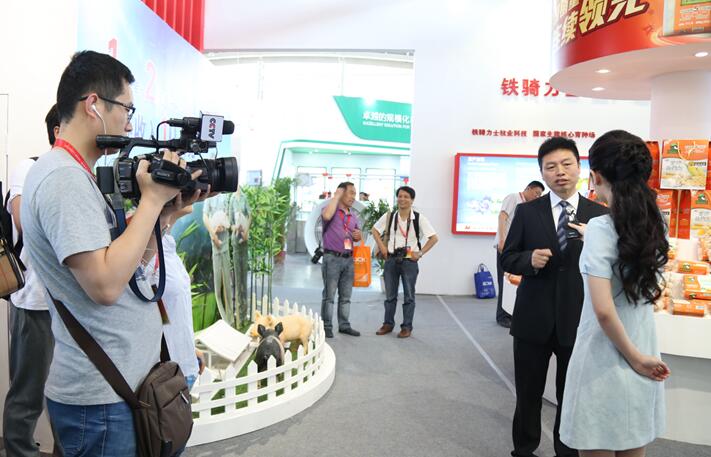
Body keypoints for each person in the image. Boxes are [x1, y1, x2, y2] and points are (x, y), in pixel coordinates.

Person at [21, 51, 202, 455]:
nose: (130, 123)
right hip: (100, 401)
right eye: (126, 108)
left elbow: (125, 267)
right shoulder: (62, 178)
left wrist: (164, 214)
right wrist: (151, 201)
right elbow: (104, 285)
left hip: (115, 394)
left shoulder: (75, 175)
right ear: (93, 105)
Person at [560, 130, 670, 457]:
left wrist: (634, 359)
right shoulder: (656, 224)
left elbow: (604, 311)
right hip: (644, 351)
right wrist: (639, 358)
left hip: (605, 360)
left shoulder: (600, 228)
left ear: (595, 176)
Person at [501, 137, 608, 457]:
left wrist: (594, 245)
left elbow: (612, 265)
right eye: (551, 167)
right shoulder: (526, 211)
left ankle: (567, 451)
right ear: (542, 173)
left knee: (571, 395)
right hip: (532, 318)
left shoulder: (600, 215)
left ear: (580, 168)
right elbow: (508, 258)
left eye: (566, 164)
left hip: (578, 318)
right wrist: (528, 260)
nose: (559, 172)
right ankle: (523, 449)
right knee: (528, 393)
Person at [2, 105, 60, 457]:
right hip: (34, 300)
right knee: (28, 392)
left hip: (70, 304)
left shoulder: (80, 175)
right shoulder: (30, 168)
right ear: (58, 129)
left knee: (66, 392)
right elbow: (27, 224)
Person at [146, 203, 206, 391]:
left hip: (183, 363)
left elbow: (166, 310)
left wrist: (188, 347)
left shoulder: (167, 245)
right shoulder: (148, 248)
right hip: (165, 374)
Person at [371, 186, 438, 338]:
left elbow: (434, 238)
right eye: (400, 196)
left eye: (406, 197)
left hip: (409, 261)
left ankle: (406, 327)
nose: (402, 199)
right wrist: (382, 246)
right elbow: (374, 230)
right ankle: (387, 324)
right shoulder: (390, 216)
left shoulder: (419, 218)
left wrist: (420, 253)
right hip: (391, 259)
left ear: (412, 200)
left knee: (409, 296)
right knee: (390, 296)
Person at [494, 181, 544, 328]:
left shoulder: (527, 206)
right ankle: (502, 316)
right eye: (536, 193)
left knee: (514, 283)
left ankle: (512, 313)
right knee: (504, 281)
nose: (537, 197)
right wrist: (502, 240)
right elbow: (502, 217)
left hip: (516, 250)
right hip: (505, 247)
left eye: (540, 195)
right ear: (528, 188)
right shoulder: (513, 197)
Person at [320, 182, 362, 338]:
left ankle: (344, 325)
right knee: (329, 296)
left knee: (346, 297)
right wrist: (336, 196)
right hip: (332, 258)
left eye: (355, 193)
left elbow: (357, 235)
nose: (353, 197)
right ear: (341, 192)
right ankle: (326, 326)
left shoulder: (353, 216)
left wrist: (358, 236)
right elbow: (326, 216)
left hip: (348, 260)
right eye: (351, 192)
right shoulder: (330, 210)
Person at [203, 193, 235, 326]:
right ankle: (223, 319)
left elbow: (229, 219)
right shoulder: (209, 198)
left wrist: (225, 226)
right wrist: (214, 234)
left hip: (225, 245)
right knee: (217, 286)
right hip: (215, 246)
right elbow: (205, 217)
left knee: (227, 284)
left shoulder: (226, 196)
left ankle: (230, 320)